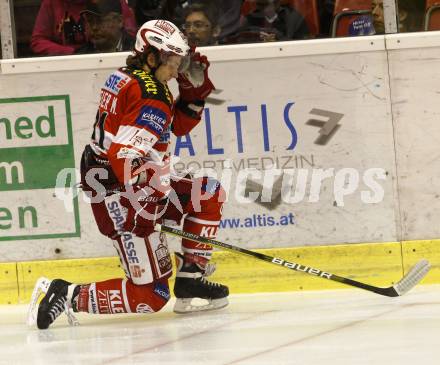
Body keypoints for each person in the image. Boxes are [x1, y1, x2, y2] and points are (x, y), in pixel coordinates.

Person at [29, 19, 229, 330]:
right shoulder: (151, 96)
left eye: (180, 61)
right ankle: (66, 294)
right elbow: (123, 156)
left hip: (125, 179)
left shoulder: (131, 76)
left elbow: (172, 127)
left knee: (208, 194)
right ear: (151, 55)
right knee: (151, 295)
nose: (178, 70)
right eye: (173, 61)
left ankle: (190, 279)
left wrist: (192, 96)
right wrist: (145, 203)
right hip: (117, 190)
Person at [30, 0, 136, 56]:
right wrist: (73, 53)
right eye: (90, 21)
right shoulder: (51, 3)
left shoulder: (108, 3)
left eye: (99, 21)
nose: (94, 26)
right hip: (71, 61)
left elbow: (130, 31)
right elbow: (38, 41)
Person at [237, 0, 309, 43]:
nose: (259, 8)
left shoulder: (293, 18)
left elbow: (302, 42)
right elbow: (241, 40)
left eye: (264, 4)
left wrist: (279, 36)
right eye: (258, 4)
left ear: (277, 3)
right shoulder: (249, 19)